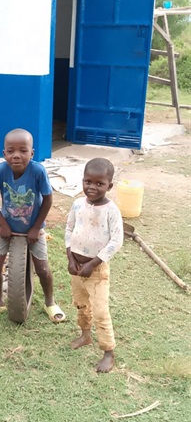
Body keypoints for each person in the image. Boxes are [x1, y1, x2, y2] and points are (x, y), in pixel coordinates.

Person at [0, 128, 65, 323]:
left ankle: (49, 302)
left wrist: (36, 228)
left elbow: (48, 199)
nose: (16, 155)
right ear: (4, 154)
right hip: (7, 227)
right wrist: (2, 224)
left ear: (32, 153)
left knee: (42, 268)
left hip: (33, 228)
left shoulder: (38, 171)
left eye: (23, 150)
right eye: (11, 151)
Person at [65, 157, 123, 373]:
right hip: (76, 268)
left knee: (100, 310)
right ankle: (85, 334)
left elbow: (116, 241)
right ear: (83, 181)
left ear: (110, 186)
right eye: (88, 181)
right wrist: (70, 258)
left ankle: (108, 352)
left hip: (96, 270)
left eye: (100, 184)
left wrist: (93, 263)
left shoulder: (111, 211)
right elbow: (69, 229)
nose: (92, 187)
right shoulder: (78, 204)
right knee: (81, 303)